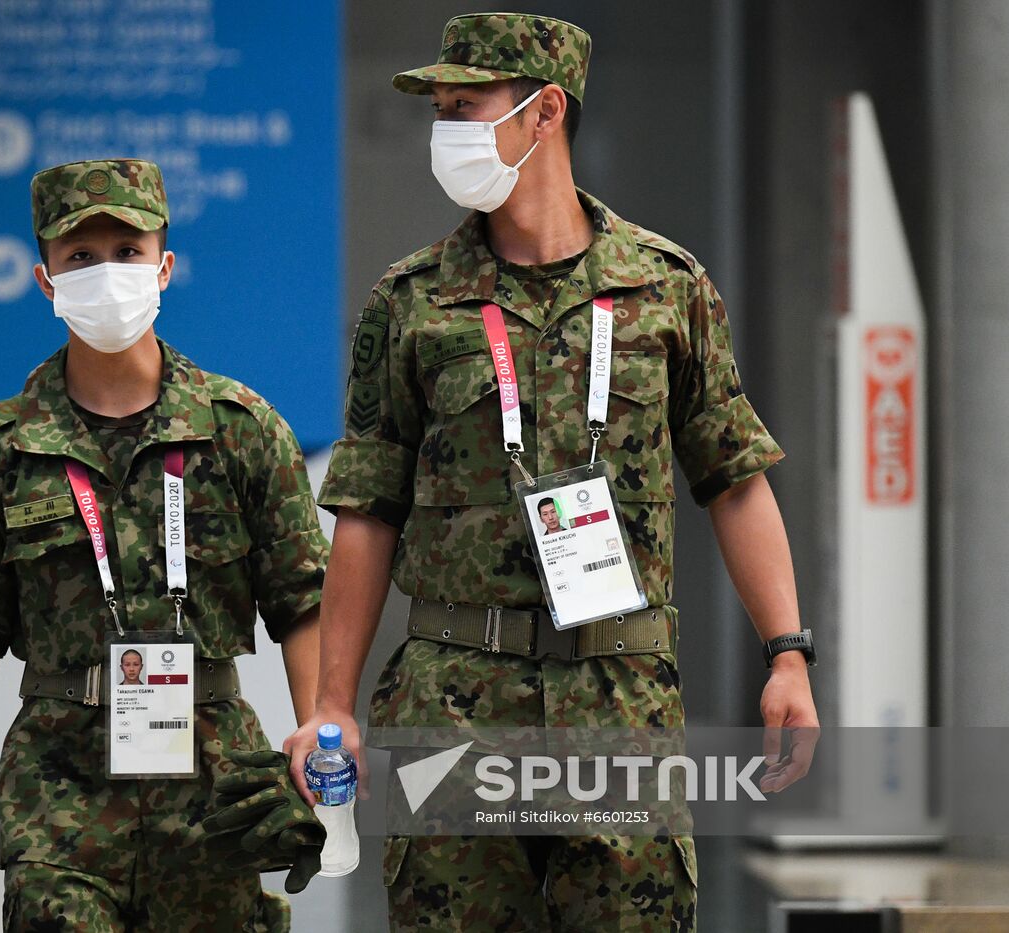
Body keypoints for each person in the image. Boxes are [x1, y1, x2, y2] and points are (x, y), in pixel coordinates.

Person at [285, 13, 820, 931]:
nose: (446, 130)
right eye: (440, 110)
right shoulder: (411, 304)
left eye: (467, 106)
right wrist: (331, 704)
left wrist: (789, 656)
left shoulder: (667, 287)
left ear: (544, 114)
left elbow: (734, 478)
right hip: (453, 701)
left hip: (619, 701)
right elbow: (366, 512)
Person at [0, 159, 329, 931]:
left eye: (128, 251)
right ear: (45, 279)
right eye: (80, 257)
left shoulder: (240, 430)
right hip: (59, 781)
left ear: (164, 267)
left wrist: (318, 726)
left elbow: (303, 601)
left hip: (214, 777)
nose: (107, 273)